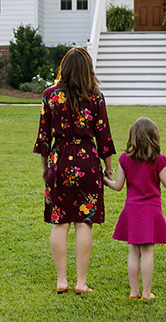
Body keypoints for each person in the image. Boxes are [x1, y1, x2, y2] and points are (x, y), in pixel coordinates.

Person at [33, 47, 116, 295]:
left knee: (59, 222)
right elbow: (104, 136)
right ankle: (81, 282)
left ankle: (61, 280)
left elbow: (44, 137)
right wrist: (109, 168)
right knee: (83, 222)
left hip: (59, 161)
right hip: (88, 162)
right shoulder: (96, 97)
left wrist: (45, 168)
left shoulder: (50, 96)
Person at [103, 117, 166, 301]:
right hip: (150, 211)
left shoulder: (124, 159)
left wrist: (104, 180)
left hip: (132, 210)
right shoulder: (158, 160)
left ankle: (133, 292)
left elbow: (118, 186)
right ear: (154, 137)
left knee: (133, 252)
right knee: (148, 252)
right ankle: (146, 293)